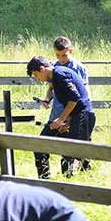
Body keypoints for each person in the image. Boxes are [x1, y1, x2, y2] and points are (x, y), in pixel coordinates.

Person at [26, 54, 95, 179]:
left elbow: (75, 99)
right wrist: (67, 121)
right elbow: (71, 102)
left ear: (42, 69)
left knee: (73, 154)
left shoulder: (59, 74)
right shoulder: (55, 78)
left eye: (36, 75)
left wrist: (61, 119)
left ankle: (77, 183)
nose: (38, 79)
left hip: (83, 116)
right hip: (74, 116)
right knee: (41, 146)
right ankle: (45, 181)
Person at [38, 37, 94, 174]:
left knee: (75, 146)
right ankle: (50, 175)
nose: (61, 58)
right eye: (58, 55)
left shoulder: (79, 68)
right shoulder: (53, 66)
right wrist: (47, 99)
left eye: (64, 55)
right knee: (59, 144)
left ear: (70, 51)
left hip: (73, 113)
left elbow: (81, 93)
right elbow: (51, 88)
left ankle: (79, 172)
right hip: (58, 112)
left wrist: (69, 119)